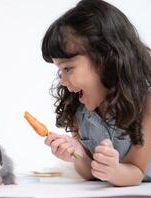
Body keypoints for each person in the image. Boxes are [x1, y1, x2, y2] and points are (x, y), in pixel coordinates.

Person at [41, 0, 151, 186]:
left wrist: (113, 171)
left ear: (105, 59)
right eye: (60, 71)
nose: (62, 80)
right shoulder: (78, 106)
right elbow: (90, 173)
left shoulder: (146, 100)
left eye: (68, 68)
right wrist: (78, 155)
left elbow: (136, 172)